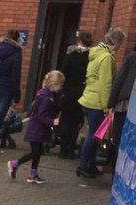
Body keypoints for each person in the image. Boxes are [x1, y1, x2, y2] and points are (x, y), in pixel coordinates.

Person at [76, 27, 125, 179]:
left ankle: (89, 165)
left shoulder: (95, 53)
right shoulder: (106, 58)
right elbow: (106, 84)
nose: (120, 47)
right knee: (94, 136)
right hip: (97, 103)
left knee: (94, 135)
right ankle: (83, 165)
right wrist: (107, 107)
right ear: (116, 43)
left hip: (87, 99)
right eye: (120, 43)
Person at [8, 70, 64, 184]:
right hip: (37, 128)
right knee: (35, 152)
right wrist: (53, 121)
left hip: (38, 127)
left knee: (38, 151)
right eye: (60, 85)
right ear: (54, 84)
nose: (61, 87)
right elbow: (42, 114)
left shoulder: (46, 94)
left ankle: (33, 173)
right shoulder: (46, 97)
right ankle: (15, 163)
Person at [105, 34, 136, 172]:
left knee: (119, 138)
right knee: (135, 141)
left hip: (124, 103)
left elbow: (119, 80)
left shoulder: (132, 56)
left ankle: (115, 171)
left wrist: (111, 104)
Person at [57, 30, 92, 159]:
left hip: (68, 92)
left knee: (66, 120)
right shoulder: (91, 58)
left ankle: (62, 149)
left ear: (79, 41)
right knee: (76, 123)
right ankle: (71, 149)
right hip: (82, 94)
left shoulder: (71, 56)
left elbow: (63, 73)